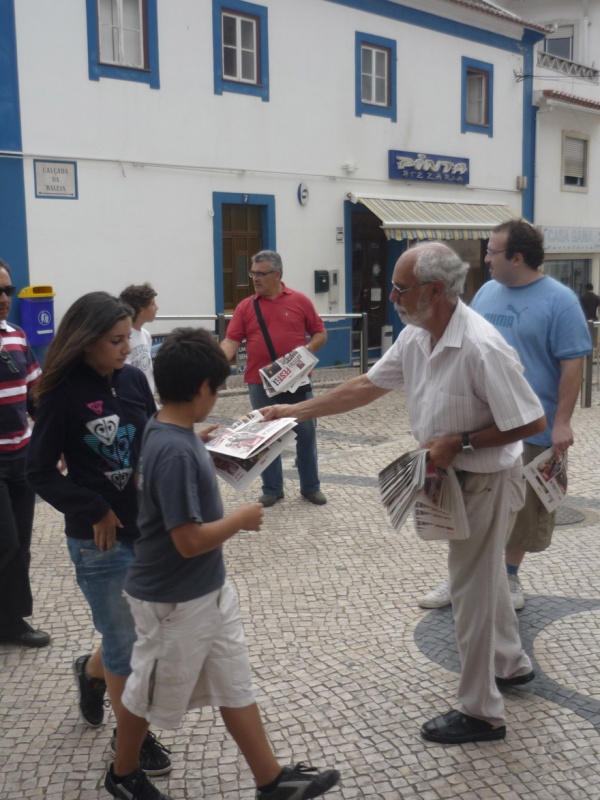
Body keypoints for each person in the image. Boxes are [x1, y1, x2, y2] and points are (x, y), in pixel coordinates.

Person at [262, 243, 546, 744]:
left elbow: (530, 421)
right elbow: (365, 387)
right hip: (452, 481)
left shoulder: (481, 346)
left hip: (484, 482)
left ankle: (482, 712)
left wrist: (459, 442)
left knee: (470, 592)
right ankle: (512, 663)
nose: (391, 296)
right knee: (483, 581)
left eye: (401, 287)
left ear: (435, 291)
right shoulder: (417, 336)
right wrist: (291, 412)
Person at [105, 327, 341, 800]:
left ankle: (270, 780)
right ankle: (123, 774)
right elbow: (188, 540)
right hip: (172, 598)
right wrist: (239, 519)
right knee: (145, 693)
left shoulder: (169, 429)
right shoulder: (172, 450)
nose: (216, 396)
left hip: (207, 590)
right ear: (200, 390)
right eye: (216, 388)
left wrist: (204, 443)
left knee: (233, 682)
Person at [26, 292, 171, 775]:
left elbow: (150, 434)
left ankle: (91, 674)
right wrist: (95, 509)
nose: (126, 349)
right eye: (115, 340)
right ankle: (132, 740)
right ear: (86, 341)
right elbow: (39, 471)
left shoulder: (131, 380)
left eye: (127, 338)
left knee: (140, 634)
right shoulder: (60, 391)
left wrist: (191, 438)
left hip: (147, 527)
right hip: (99, 542)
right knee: (127, 644)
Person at [419, 221, 592, 611]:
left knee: (522, 509)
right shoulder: (486, 293)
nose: (485, 258)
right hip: (479, 422)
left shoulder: (560, 300)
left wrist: (562, 422)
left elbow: (572, 365)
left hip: (532, 426)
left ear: (517, 256)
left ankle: (509, 576)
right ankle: (461, 575)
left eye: (492, 252)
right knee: (464, 502)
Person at [220, 250, 328, 507]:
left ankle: (311, 487)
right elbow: (231, 341)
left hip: (297, 380)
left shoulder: (300, 301)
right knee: (265, 437)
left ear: (277, 275)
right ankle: (272, 489)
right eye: (253, 273)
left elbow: (319, 334)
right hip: (261, 383)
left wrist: (304, 354)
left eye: (261, 274)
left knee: (305, 432)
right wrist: (214, 363)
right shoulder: (246, 306)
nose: (255, 279)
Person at [0, 259, 50, 648]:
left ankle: (11, 619)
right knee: (5, 540)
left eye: (7, 290)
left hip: (22, 457)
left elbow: (36, 395)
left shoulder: (16, 336)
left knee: (21, 543)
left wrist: (53, 441)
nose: (4, 299)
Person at [119, 283, 159, 394]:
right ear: (141, 310)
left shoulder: (146, 335)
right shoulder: (123, 338)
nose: (156, 307)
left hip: (147, 400)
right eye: (152, 304)